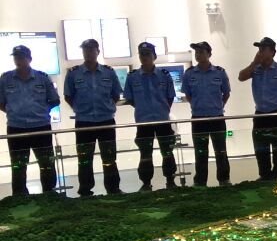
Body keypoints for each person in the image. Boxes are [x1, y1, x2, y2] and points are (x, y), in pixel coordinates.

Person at [63, 38, 122, 196]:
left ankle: (113, 188)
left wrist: (106, 108)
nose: (88, 52)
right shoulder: (74, 73)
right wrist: (80, 109)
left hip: (106, 121)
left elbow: (116, 94)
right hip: (84, 122)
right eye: (85, 50)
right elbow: (68, 96)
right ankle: (85, 189)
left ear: (98, 51)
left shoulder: (109, 72)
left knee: (109, 157)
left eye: (91, 49)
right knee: (84, 159)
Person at [0, 45, 60, 195]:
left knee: (46, 163)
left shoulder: (42, 78)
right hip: (16, 128)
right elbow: (1, 102)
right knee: (18, 166)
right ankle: (20, 197)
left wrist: (41, 112)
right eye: (16, 57)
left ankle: (49, 194)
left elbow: (54, 100)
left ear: (29, 59)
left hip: (41, 127)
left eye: (21, 57)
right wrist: (14, 112)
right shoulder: (5, 79)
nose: (18, 60)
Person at [124, 42, 178, 192]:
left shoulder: (164, 75)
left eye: (147, 54)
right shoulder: (132, 77)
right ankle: (146, 183)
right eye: (142, 54)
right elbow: (130, 99)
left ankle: (170, 180)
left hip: (162, 120)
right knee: (145, 154)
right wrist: (144, 108)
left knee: (167, 152)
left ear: (154, 56)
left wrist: (161, 109)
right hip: (143, 121)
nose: (144, 57)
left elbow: (170, 96)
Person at [238, 37, 277, 181]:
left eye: (263, 49)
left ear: (272, 52)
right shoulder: (255, 69)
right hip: (260, 113)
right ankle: (264, 175)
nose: (260, 52)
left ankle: (276, 175)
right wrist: (254, 63)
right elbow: (241, 77)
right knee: (260, 147)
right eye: (259, 49)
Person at [182, 41, 231, 187]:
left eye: (201, 52)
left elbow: (226, 93)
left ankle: (224, 180)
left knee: (221, 151)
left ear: (209, 54)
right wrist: (196, 106)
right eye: (196, 52)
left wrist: (218, 106)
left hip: (217, 117)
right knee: (200, 152)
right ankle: (200, 181)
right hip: (198, 118)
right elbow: (188, 95)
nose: (198, 55)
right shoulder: (189, 73)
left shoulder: (220, 72)